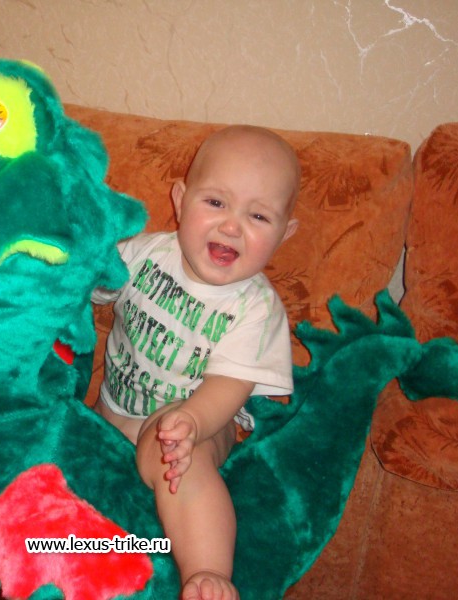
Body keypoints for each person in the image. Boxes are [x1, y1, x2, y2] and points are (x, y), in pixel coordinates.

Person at [92, 125, 300, 600]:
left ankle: (207, 572)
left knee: (177, 454)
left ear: (284, 234)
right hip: (111, 415)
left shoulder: (254, 307)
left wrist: (191, 420)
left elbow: (230, 385)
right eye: (216, 202)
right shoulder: (144, 254)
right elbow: (90, 284)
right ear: (181, 200)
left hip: (202, 426)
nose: (232, 226)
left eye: (258, 216)